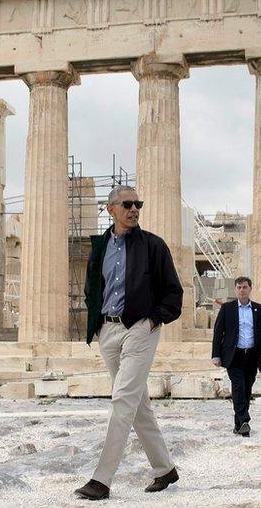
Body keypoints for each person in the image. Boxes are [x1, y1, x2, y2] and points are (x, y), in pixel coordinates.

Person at [74, 185, 184, 501]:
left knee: (122, 398)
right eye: (127, 204)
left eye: (138, 203)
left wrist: (150, 321)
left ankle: (101, 479)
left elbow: (174, 294)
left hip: (140, 328)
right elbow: (91, 289)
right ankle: (164, 469)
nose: (134, 209)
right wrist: (97, 325)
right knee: (137, 403)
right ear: (111, 209)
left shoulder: (153, 246)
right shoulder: (99, 248)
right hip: (107, 332)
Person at [210, 276, 261, 437]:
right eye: (239, 287)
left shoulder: (260, 309)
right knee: (238, 386)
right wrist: (216, 355)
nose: (242, 290)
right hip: (234, 355)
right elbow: (218, 332)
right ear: (235, 289)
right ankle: (245, 420)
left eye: (245, 287)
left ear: (250, 288)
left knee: (247, 389)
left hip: (252, 355)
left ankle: (238, 425)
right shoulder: (227, 308)